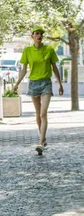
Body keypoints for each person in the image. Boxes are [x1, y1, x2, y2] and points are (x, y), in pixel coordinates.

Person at [13, 26, 64, 154]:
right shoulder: (27, 51)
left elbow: (55, 68)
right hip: (33, 83)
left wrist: (60, 84)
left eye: (41, 33)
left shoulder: (49, 50)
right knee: (37, 114)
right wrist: (16, 84)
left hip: (46, 83)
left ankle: (41, 143)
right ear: (32, 36)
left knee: (43, 113)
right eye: (36, 33)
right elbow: (24, 70)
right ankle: (43, 137)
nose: (39, 35)